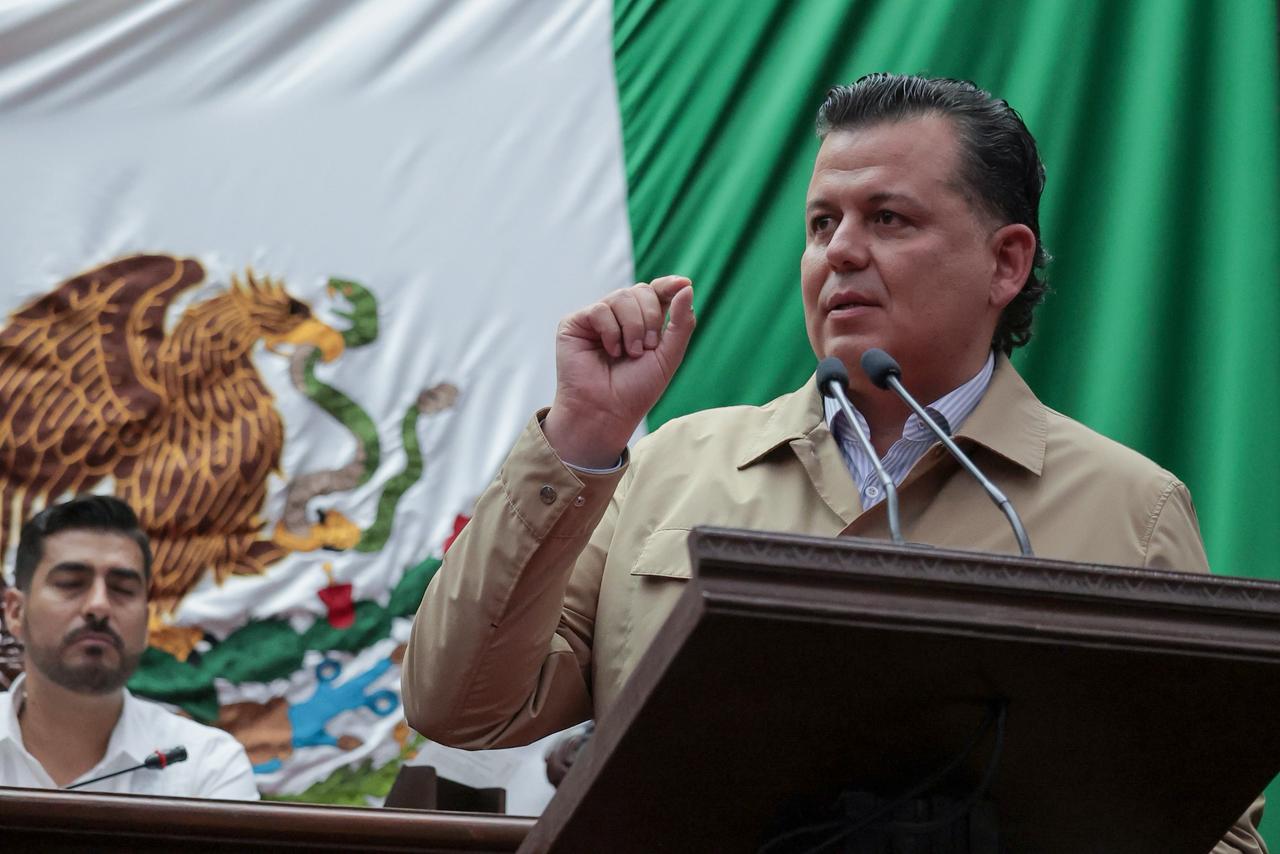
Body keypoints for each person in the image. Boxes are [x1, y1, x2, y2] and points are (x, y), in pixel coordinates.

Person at [402, 74, 1264, 850]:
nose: (840, 252)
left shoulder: (1130, 509)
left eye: (888, 219)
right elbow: (459, 705)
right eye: (823, 224)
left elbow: (1211, 830)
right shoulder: (668, 467)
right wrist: (582, 435)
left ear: (1006, 262)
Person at [0, 495, 258, 799]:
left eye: (122, 589)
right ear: (15, 612)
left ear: (146, 622)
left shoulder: (206, 764)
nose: (99, 605)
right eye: (71, 583)